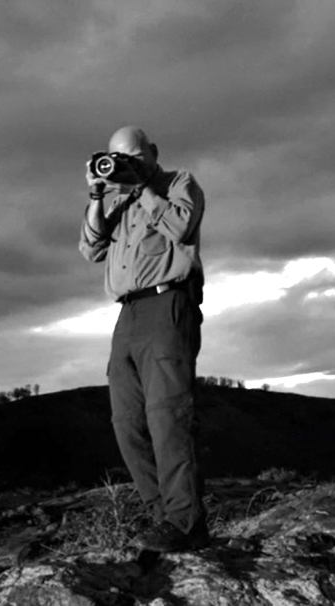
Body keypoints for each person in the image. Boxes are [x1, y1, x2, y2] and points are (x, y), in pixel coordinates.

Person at [78, 125, 209, 552]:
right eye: (118, 157)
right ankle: (163, 519)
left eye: (134, 156)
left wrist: (144, 186)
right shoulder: (116, 200)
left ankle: (186, 523)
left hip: (168, 304)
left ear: (152, 152)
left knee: (167, 415)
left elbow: (181, 226)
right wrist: (99, 195)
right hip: (127, 313)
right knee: (127, 421)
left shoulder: (177, 183)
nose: (126, 164)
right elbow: (90, 247)